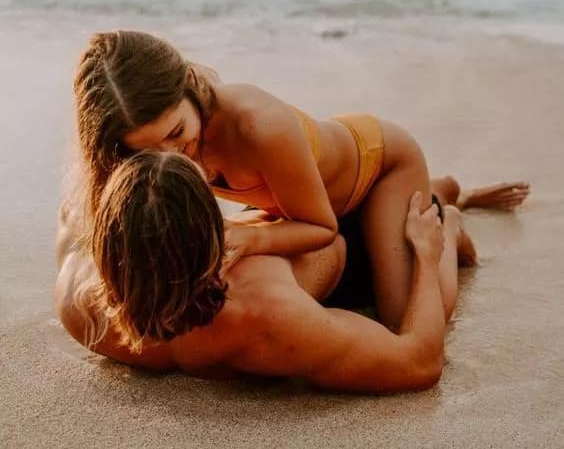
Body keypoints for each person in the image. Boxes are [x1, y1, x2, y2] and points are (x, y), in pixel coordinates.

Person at [73, 30, 529, 331]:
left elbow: (322, 229)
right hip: (301, 199)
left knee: (403, 317)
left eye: (177, 134)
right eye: (148, 151)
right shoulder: (145, 148)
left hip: (377, 171)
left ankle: (445, 220)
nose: (171, 158)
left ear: (189, 83)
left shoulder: (255, 124)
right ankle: (440, 191)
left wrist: (248, 242)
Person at [56, 150, 466, 392]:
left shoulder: (79, 304)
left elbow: (69, 220)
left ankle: (442, 199)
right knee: (428, 278)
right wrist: (427, 256)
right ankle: (448, 216)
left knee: (408, 209)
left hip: (315, 228)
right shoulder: (267, 313)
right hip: (337, 243)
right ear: (213, 234)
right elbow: (419, 360)